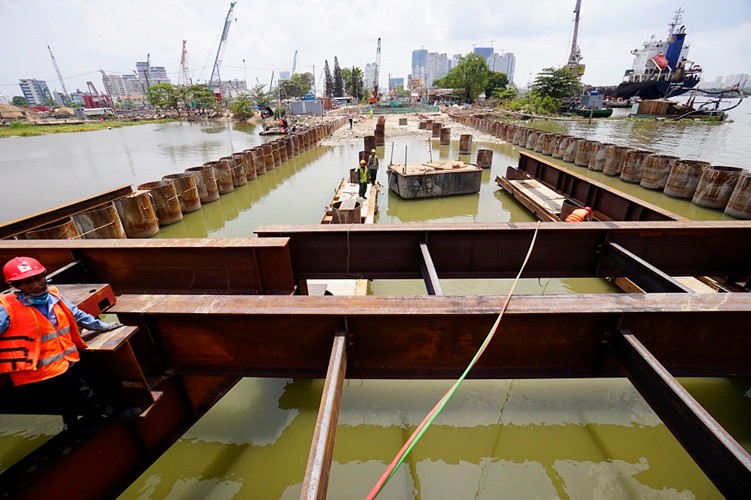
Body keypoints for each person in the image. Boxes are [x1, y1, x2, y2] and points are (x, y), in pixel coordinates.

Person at [0, 256, 141, 433]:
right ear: (16, 286)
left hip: (65, 359)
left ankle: (71, 423)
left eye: (38, 278)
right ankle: (110, 413)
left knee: (69, 393)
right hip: (40, 369)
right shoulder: (6, 307)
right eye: (26, 282)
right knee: (83, 390)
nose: (35, 284)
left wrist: (102, 326)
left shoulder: (53, 296)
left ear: (45, 275)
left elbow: (77, 314)